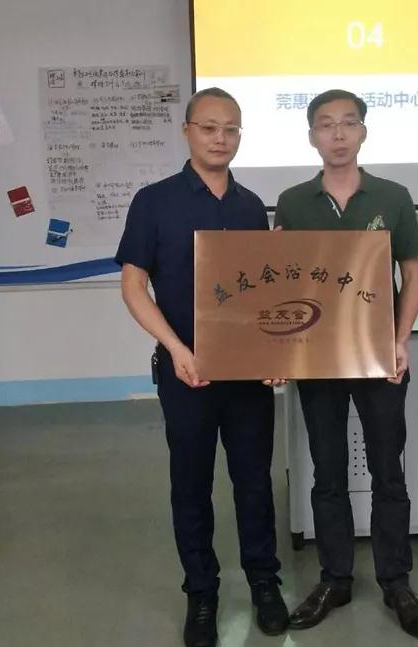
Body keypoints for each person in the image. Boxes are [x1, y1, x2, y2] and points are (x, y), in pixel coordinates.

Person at [115, 87, 288, 647]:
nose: (220, 138)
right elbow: (134, 287)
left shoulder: (250, 206)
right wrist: (176, 348)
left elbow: (264, 295)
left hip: (247, 375)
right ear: (187, 130)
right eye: (209, 127)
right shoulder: (154, 202)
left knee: (254, 481)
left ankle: (264, 583)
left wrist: (275, 355)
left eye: (231, 129)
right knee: (190, 484)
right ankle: (202, 593)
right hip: (186, 371)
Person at [274, 89, 418, 639]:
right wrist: (278, 351)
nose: (337, 134)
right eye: (326, 125)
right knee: (327, 472)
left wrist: (401, 339)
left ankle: (396, 581)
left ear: (363, 131)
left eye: (348, 123)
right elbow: (282, 281)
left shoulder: (393, 197)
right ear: (312, 136)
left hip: (378, 354)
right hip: (317, 358)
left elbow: (412, 276)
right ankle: (335, 578)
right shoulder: (292, 202)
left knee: (388, 470)